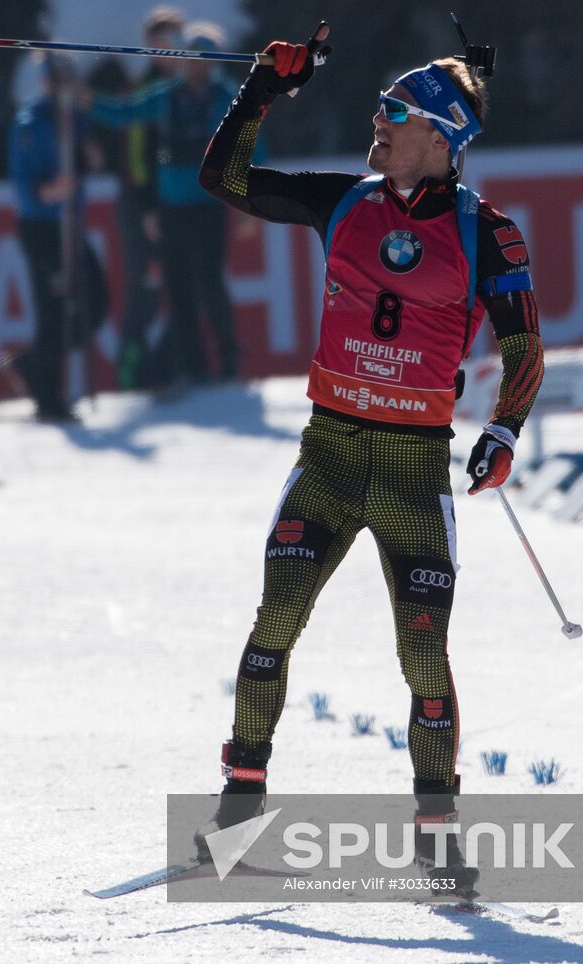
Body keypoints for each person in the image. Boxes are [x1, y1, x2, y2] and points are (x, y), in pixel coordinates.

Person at [193, 26, 545, 897]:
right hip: (332, 458)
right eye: (381, 108)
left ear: (442, 136)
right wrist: (264, 89)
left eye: (397, 112)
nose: (377, 122)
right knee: (275, 623)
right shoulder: (343, 201)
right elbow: (223, 180)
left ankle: (437, 838)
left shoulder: (487, 233)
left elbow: (525, 344)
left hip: (413, 475)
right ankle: (239, 809)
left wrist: (502, 431)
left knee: (424, 660)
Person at [91, 22, 244, 389]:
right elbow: (123, 113)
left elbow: (250, 145)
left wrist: (246, 201)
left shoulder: (228, 97)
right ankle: (194, 367)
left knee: (209, 282)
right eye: (191, 61)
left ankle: (229, 361)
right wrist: (89, 101)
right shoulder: (164, 94)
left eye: (204, 62)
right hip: (172, 207)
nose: (197, 69)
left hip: (210, 205)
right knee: (177, 287)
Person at [5, 56, 108, 423]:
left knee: (94, 304)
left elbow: (85, 160)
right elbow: (24, 182)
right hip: (43, 227)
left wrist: (89, 156)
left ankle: (33, 364)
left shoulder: (76, 120)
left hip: (70, 224)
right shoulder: (30, 124)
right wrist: (47, 191)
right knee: (53, 307)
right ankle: (48, 395)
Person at [102, 6, 185, 390]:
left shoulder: (185, 89)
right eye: (161, 43)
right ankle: (132, 372)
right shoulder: (146, 90)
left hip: (172, 205)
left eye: (174, 41)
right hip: (142, 206)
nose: (168, 50)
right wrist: (148, 207)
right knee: (146, 290)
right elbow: (137, 157)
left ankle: (164, 369)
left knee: (182, 287)